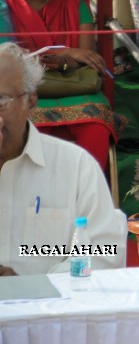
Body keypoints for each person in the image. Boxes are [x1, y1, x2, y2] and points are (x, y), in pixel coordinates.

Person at [0, 42, 126, 276]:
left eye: (1, 100)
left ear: (30, 102)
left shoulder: (76, 166)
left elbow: (105, 253)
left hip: (51, 308)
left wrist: (33, 284)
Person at [0, 0, 122, 176]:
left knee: (96, 124)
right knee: (24, 128)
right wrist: (67, 52)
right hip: (23, 92)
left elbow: (87, 56)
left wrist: (66, 60)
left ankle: (84, 195)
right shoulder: (3, 5)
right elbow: (6, 60)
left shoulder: (75, 2)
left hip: (75, 87)